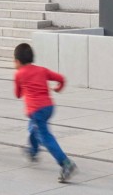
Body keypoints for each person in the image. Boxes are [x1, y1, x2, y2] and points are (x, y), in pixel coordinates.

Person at [13, 43, 77, 182]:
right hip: (49, 107)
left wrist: (22, 84)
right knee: (33, 128)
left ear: (17, 61)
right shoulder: (42, 70)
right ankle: (32, 151)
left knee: (45, 137)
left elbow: (17, 94)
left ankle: (66, 163)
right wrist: (58, 88)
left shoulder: (19, 74)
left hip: (37, 110)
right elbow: (61, 79)